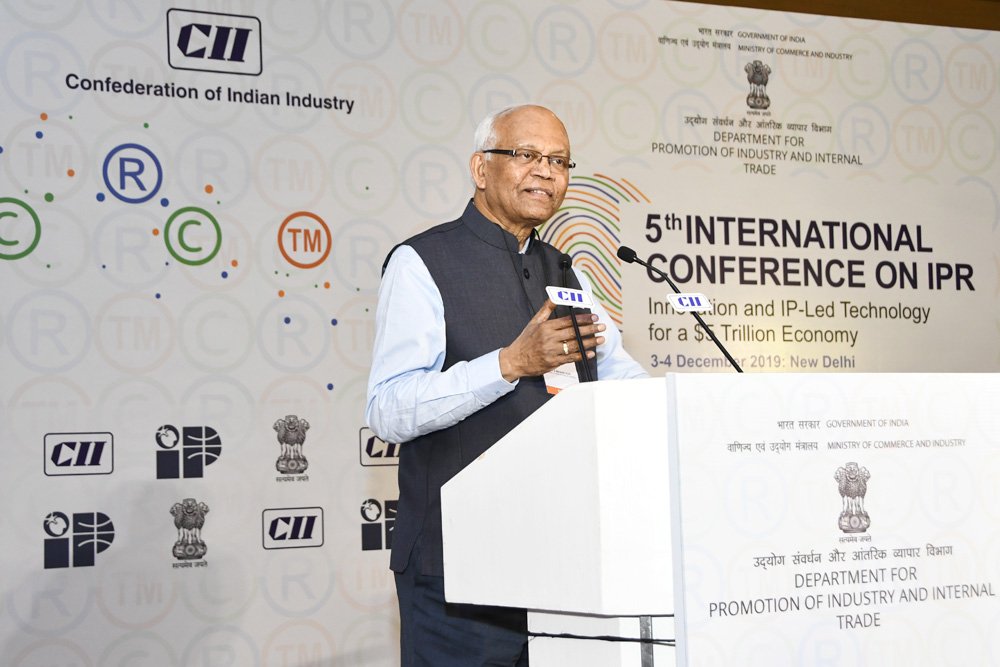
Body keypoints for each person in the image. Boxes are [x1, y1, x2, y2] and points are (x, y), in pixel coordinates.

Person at [366, 104, 647, 666]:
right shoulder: (422, 262)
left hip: (563, 566)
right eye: (526, 155)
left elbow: (619, 377)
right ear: (480, 168)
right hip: (457, 577)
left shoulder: (567, 271)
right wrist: (508, 364)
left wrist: (693, 406)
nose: (546, 171)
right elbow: (388, 409)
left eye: (559, 161)